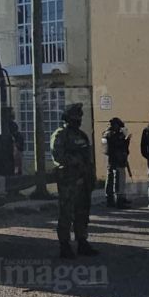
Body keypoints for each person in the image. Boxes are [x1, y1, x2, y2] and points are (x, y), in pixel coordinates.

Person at [50, 102, 97, 259]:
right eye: (75, 117)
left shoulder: (81, 135)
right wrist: (76, 160)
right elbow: (58, 156)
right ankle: (65, 245)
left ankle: (82, 241)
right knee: (66, 213)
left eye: (79, 117)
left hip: (83, 180)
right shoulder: (60, 134)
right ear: (68, 118)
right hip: (68, 181)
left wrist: (90, 176)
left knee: (82, 212)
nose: (78, 120)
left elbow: (88, 158)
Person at [101, 117, 132, 208]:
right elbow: (121, 146)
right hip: (118, 160)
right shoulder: (115, 135)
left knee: (110, 179)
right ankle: (120, 200)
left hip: (110, 160)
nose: (120, 129)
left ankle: (109, 200)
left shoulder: (105, 134)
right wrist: (126, 141)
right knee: (119, 180)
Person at [0, 106, 24, 175]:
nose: (14, 114)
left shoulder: (0, 125)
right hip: (11, 150)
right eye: (12, 112)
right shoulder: (11, 124)